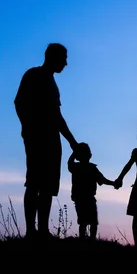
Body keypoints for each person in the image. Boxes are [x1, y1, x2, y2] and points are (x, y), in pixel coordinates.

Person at [14, 43, 80, 240]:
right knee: (34, 183)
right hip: (38, 138)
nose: (66, 63)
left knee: (48, 186)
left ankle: (41, 230)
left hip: (52, 139)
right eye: (64, 58)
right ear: (53, 57)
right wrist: (28, 127)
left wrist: (71, 142)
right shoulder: (33, 75)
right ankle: (31, 231)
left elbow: (56, 116)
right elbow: (19, 102)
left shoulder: (52, 82)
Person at [67, 142, 118, 240]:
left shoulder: (78, 168)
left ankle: (87, 240)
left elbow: (102, 180)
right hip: (86, 199)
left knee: (85, 222)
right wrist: (113, 184)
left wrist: (74, 152)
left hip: (82, 199)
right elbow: (103, 180)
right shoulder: (87, 168)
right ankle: (91, 240)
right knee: (89, 222)